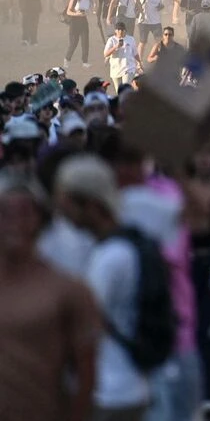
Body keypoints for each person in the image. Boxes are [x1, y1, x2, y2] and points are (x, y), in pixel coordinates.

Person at [54, 154, 152, 421]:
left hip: (109, 392)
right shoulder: (115, 246)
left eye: (69, 203)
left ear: (90, 204)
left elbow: (83, 325)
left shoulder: (110, 258)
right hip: (125, 384)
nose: (64, 211)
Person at [0, 171, 100, 421]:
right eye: (5, 214)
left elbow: (86, 374)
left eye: (24, 213)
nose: (14, 223)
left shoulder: (68, 291)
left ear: (40, 219)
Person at [64, 0, 94, 67]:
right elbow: (68, 11)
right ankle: (67, 59)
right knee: (74, 42)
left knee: (85, 42)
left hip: (84, 21)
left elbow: (91, 10)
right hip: (74, 21)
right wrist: (76, 14)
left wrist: (93, 7)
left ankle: (85, 62)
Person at [103, 21, 140, 88]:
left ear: (125, 30)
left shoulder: (131, 39)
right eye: (118, 29)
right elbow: (105, 54)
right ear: (115, 31)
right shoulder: (111, 40)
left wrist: (139, 63)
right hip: (116, 69)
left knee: (125, 89)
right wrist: (115, 47)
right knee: (119, 92)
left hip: (128, 68)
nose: (120, 31)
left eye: (122, 29)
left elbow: (135, 53)